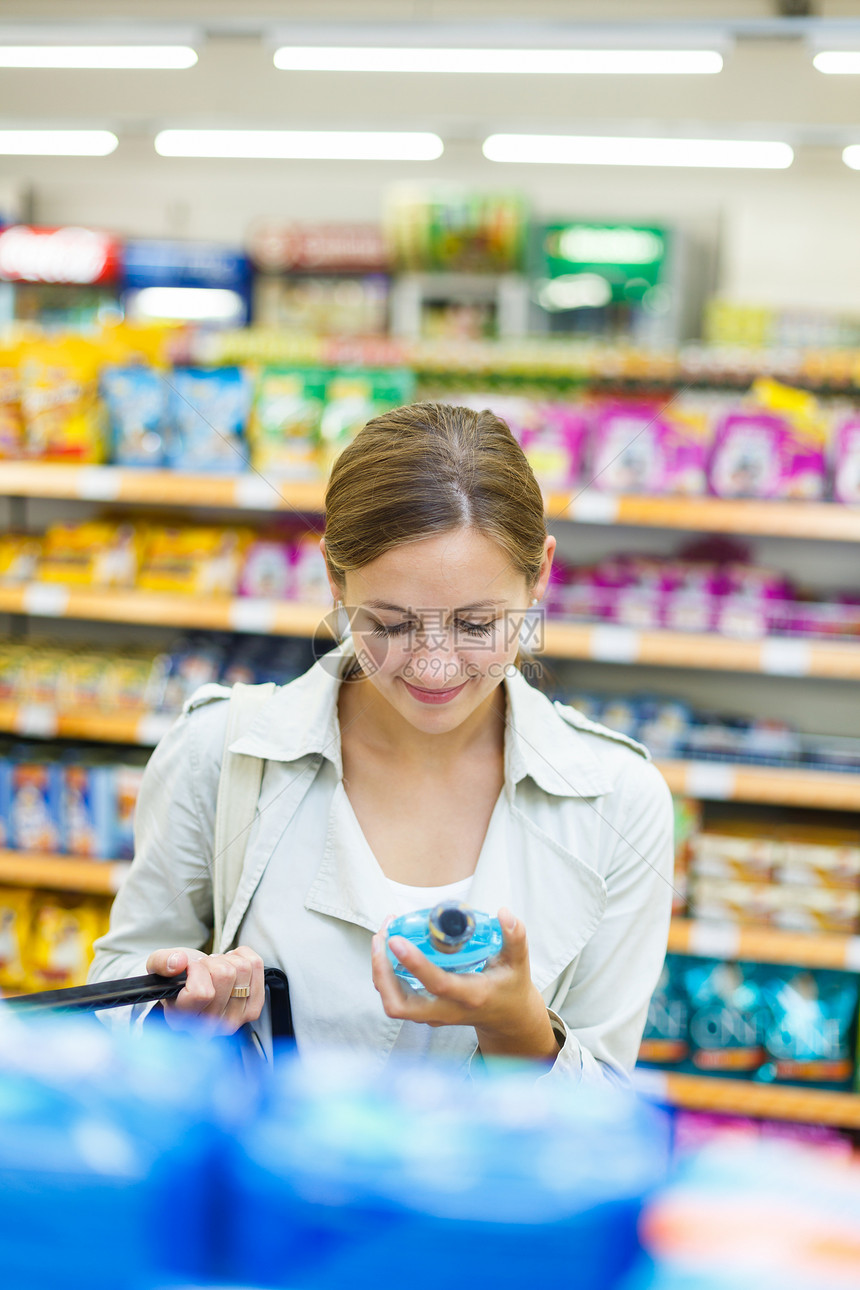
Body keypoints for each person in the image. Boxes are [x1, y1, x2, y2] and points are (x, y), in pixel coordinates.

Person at [89, 402, 674, 1084]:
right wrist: (172, 1014)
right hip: (267, 1187)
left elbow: (603, 1120)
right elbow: (118, 990)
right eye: (390, 625)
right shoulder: (218, 751)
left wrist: (518, 1028)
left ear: (539, 575)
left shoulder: (622, 801)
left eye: (478, 624)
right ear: (335, 583)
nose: (433, 664)